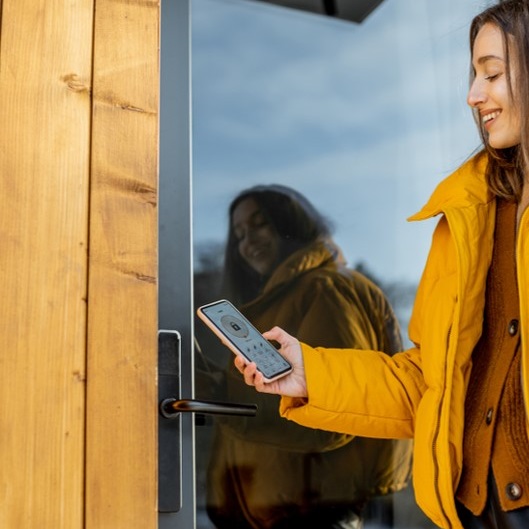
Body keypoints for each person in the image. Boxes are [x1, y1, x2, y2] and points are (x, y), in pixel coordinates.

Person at [235, 2, 529, 529]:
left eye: (493, 73)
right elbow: (429, 384)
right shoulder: (470, 214)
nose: (473, 95)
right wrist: (311, 375)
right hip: (475, 509)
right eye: (473, 75)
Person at [203, 184, 413, 529]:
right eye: (239, 233)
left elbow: (337, 412)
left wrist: (224, 404)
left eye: (260, 224)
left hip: (311, 512)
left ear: (292, 224)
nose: (248, 241)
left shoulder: (326, 290)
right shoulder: (281, 298)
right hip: (278, 511)